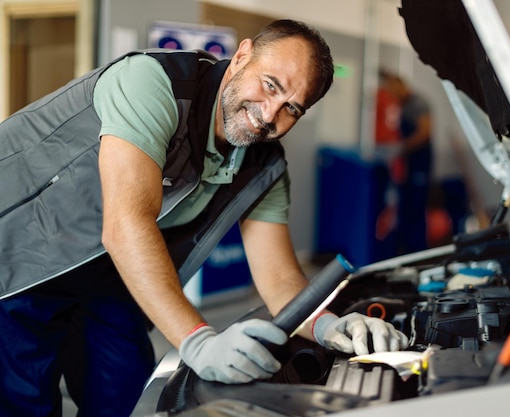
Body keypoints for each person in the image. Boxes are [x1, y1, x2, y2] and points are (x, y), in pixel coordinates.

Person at [0, 19, 408, 417]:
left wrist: (328, 326)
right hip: (19, 259)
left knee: (127, 393)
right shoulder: (153, 82)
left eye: (291, 109)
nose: (268, 115)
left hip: (106, 277)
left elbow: (281, 280)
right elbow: (126, 224)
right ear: (242, 56)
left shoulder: (263, 166)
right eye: (270, 85)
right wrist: (198, 341)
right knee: (25, 401)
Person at [389, 74, 433, 253]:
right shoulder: (404, 106)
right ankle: (405, 250)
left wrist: (402, 148)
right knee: (405, 208)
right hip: (409, 167)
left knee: (416, 209)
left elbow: (425, 132)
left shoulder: (417, 104)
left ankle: (418, 251)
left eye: (393, 90)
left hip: (420, 165)